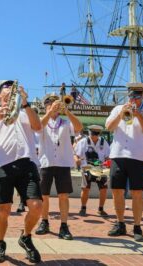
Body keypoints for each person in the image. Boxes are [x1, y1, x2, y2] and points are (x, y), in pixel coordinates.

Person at [0, 80, 43, 263]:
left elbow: (38, 127)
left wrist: (25, 103)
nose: (9, 89)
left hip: (27, 162)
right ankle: (0, 243)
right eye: (5, 87)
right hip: (3, 165)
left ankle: (26, 237)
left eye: (11, 86)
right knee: (3, 209)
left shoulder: (25, 112)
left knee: (37, 206)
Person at [105, 82, 143, 242]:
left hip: (138, 156)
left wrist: (139, 115)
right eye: (131, 96)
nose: (133, 99)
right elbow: (109, 127)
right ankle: (120, 223)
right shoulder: (118, 109)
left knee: (137, 193)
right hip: (118, 155)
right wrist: (120, 114)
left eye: (136, 96)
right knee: (117, 191)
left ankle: (137, 226)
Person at [35, 94, 83, 240]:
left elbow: (79, 127)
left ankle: (64, 225)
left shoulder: (66, 122)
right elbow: (37, 128)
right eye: (49, 103)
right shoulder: (42, 122)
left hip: (62, 163)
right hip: (46, 162)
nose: (53, 105)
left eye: (55, 103)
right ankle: (44, 221)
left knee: (63, 195)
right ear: (46, 106)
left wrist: (66, 111)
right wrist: (49, 112)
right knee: (44, 195)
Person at [74, 125, 110, 217]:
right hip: (87, 167)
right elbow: (76, 155)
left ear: (99, 134)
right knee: (85, 188)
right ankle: (83, 208)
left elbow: (107, 156)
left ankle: (101, 209)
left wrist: (107, 163)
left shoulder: (104, 142)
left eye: (97, 134)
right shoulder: (83, 142)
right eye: (93, 133)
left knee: (104, 189)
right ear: (89, 133)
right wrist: (77, 161)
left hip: (100, 168)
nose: (94, 136)